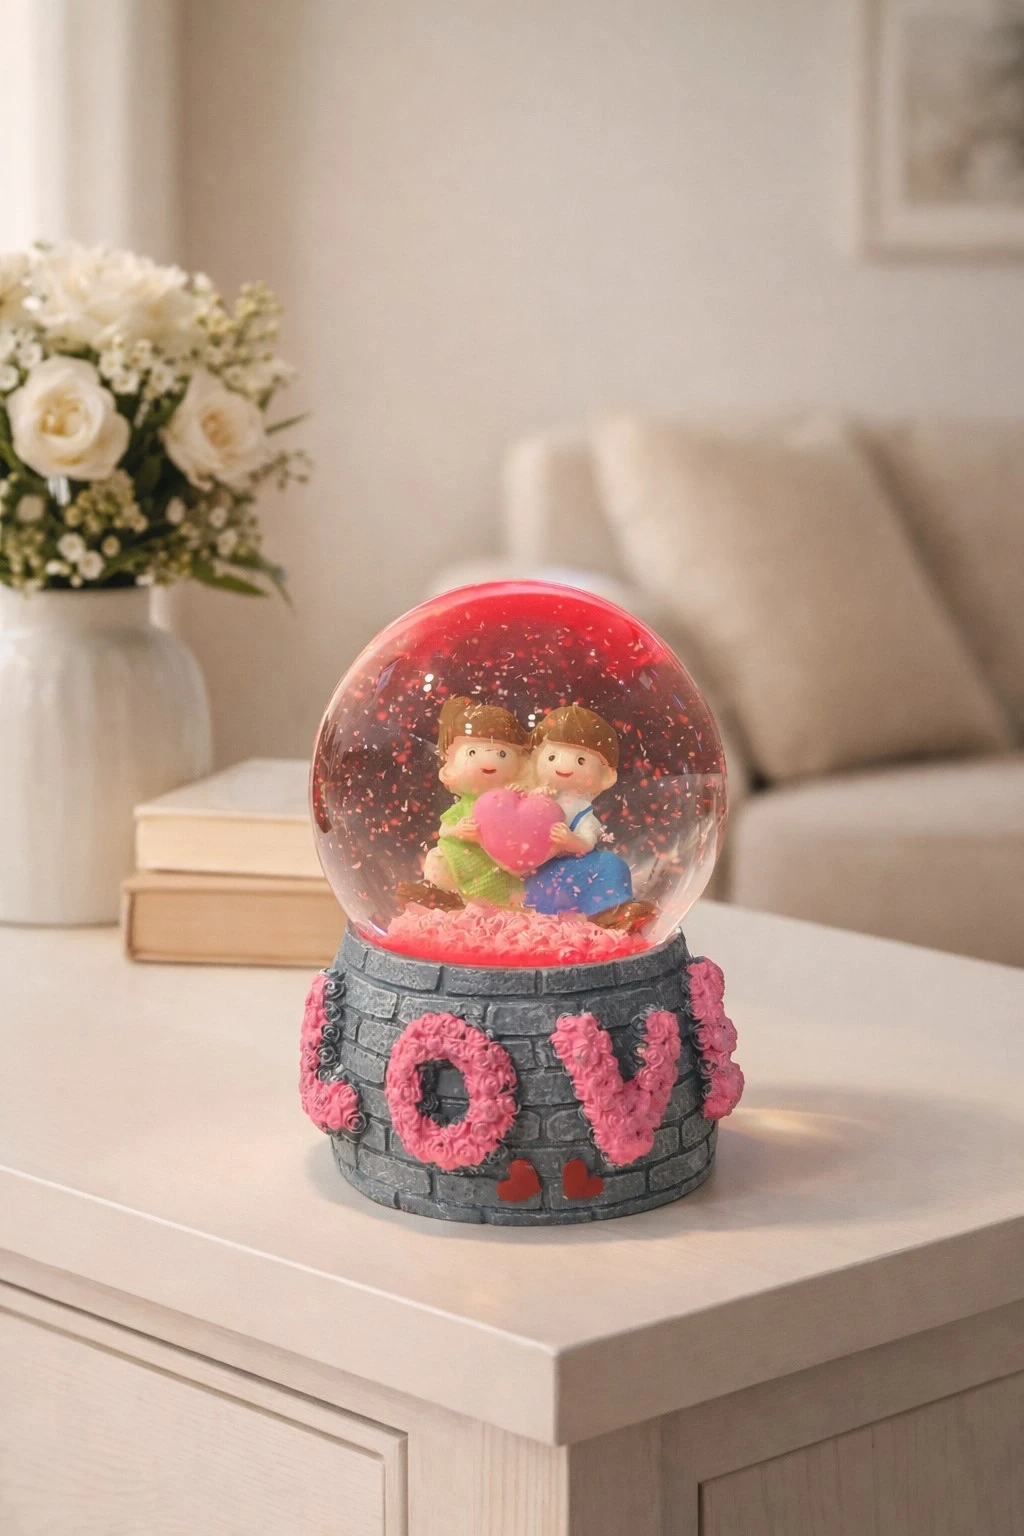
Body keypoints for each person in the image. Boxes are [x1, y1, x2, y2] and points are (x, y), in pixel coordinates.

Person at [523, 705, 655, 932]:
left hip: (576, 866)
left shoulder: (582, 810)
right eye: (552, 756)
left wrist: (570, 841)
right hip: (541, 873)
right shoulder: (535, 796)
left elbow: (587, 842)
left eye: (581, 761)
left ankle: (611, 913)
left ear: (606, 776)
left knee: (611, 864)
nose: (563, 766)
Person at [398, 695, 529, 909]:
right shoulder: (465, 805)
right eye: (473, 752)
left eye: (502, 753)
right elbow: (445, 830)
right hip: (460, 859)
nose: (488, 761)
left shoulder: (515, 801)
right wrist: (458, 830)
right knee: (437, 860)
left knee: (507, 890)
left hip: (498, 865)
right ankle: (443, 898)